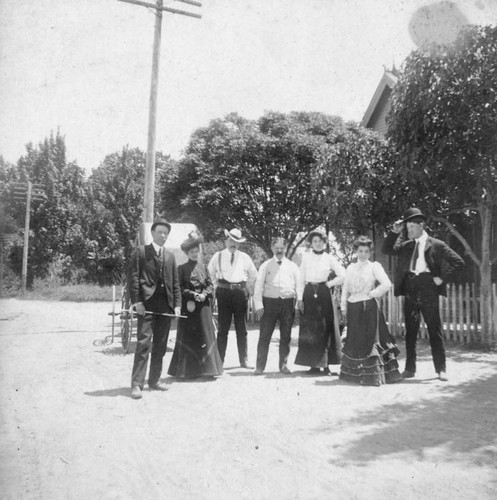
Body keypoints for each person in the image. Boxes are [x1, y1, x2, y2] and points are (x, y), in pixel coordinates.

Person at [382, 208, 464, 381]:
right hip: (411, 287)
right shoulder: (406, 245)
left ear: (421, 225)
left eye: (411, 226)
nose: (409, 230)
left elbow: (458, 262)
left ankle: (441, 369)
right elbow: (387, 249)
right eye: (407, 227)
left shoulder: (437, 244)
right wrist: (394, 232)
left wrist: (442, 278)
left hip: (428, 287)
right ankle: (410, 369)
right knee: (410, 331)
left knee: (434, 329)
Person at [129, 218, 182, 399]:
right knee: (143, 344)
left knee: (160, 345)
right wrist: (137, 302)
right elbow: (133, 279)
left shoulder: (170, 256)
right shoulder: (141, 252)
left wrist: (177, 305)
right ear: (152, 233)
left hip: (165, 307)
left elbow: (175, 283)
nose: (163, 235)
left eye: (166, 233)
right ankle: (137, 384)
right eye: (160, 232)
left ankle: (154, 380)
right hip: (147, 306)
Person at [339, 236, 402, 386]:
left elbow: (386, 284)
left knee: (370, 341)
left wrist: (373, 294)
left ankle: (374, 376)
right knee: (356, 340)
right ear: (355, 251)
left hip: (369, 307)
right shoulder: (350, 268)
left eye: (366, 251)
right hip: (354, 306)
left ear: (370, 252)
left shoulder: (374, 266)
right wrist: (343, 306)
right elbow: (345, 288)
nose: (363, 254)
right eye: (360, 251)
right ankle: (356, 375)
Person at [168, 231, 223, 379]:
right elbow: (179, 288)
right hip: (189, 308)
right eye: (191, 252)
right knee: (189, 336)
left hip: (204, 307)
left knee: (205, 335)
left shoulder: (204, 267)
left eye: (196, 251)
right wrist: (193, 295)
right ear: (187, 253)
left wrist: (205, 293)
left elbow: (211, 285)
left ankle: (208, 370)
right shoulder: (181, 269)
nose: (194, 254)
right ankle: (188, 371)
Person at [295, 229, 345, 375]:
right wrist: (299, 298)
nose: (317, 244)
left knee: (325, 328)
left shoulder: (329, 258)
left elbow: (343, 275)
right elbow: (300, 279)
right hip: (309, 293)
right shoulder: (306, 258)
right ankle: (313, 365)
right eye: (315, 241)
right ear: (311, 243)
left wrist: (329, 284)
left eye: (320, 241)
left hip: (323, 293)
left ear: (324, 243)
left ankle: (327, 365)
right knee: (311, 328)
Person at [208, 228, 258, 367]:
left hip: (240, 294)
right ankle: (219, 361)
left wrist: (247, 287)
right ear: (226, 241)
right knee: (223, 329)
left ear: (239, 244)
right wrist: (215, 287)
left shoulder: (245, 257)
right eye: (231, 240)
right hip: (223, 293)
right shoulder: (217, 256)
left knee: (241, 328)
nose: (233, 244)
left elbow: (254, 274)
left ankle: (244, 360)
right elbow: (210, 274)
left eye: (236, 241)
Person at [253, 237, 299, 375]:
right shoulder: (265, 265)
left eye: (282, 248)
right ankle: (260, 367)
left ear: (286, 249)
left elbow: (299, 286)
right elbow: (258, 286)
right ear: (272, 248)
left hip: (287, 302)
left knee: (286, 336)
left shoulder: (292, 266)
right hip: (269, 303)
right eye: (276, 248)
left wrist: (297, 304)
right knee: (264, 335)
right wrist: (259, 305)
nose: (279, 250)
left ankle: (283, 365)